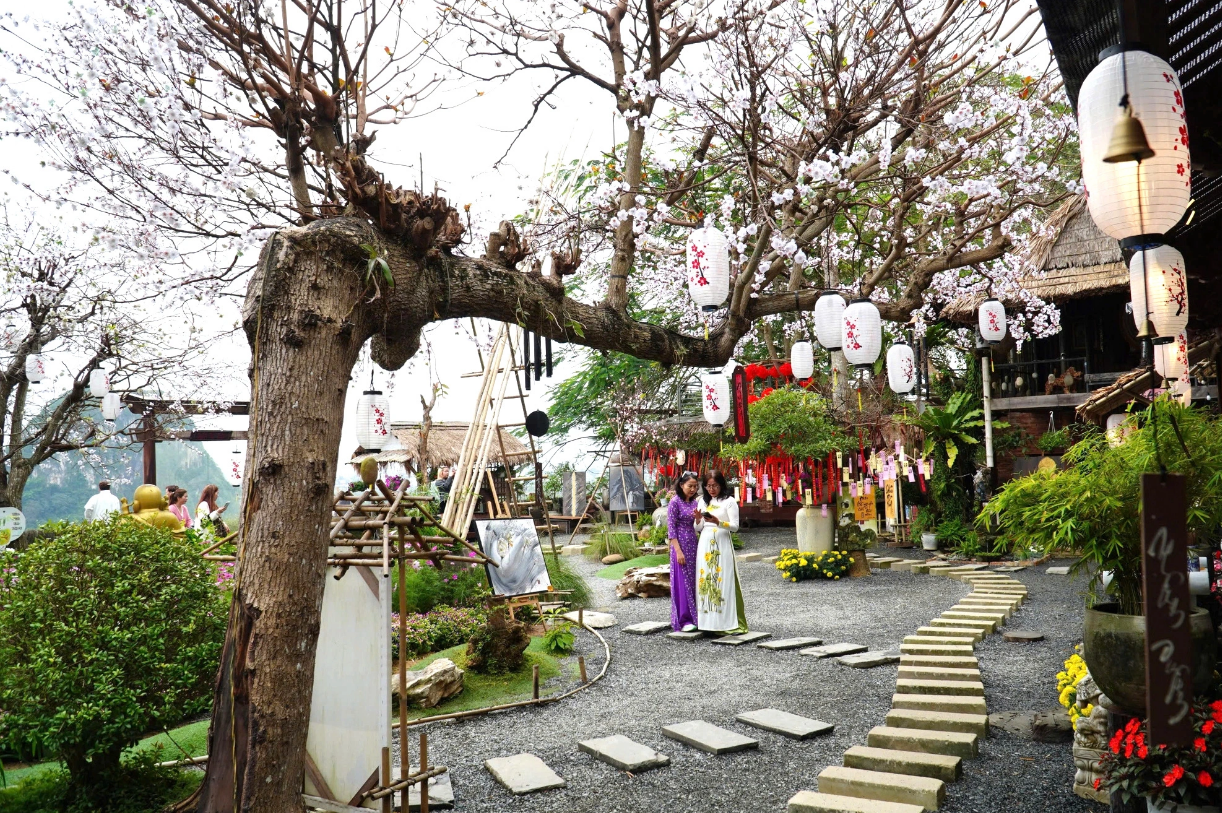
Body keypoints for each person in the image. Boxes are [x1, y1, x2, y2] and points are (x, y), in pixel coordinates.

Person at [695, 470, 747, 634]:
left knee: (723, 580)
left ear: (721, 485)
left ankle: (726, 623)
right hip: (705, 543)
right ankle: (708, 623)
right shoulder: (702, 502)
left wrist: (719, 522)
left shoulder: (729, 502)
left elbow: (735, 526)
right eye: (708, 486)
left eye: (715, 486)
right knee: (706, 580)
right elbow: (698, 528)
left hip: (722, 542)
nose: (711, 489)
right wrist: (697, 520)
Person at [667, 472, 701, 632]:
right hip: (679, 544)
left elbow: (697, 525)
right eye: (690, 486)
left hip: (693, 543)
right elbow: (671, 530)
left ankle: (697, 617)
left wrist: (700, 519)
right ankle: (684, 619)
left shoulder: (695, 503)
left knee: (694, 580)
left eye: (695, 486)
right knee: (682, 581)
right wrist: (678, 551)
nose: (693, 489)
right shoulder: (675, 502)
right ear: (681, 485)